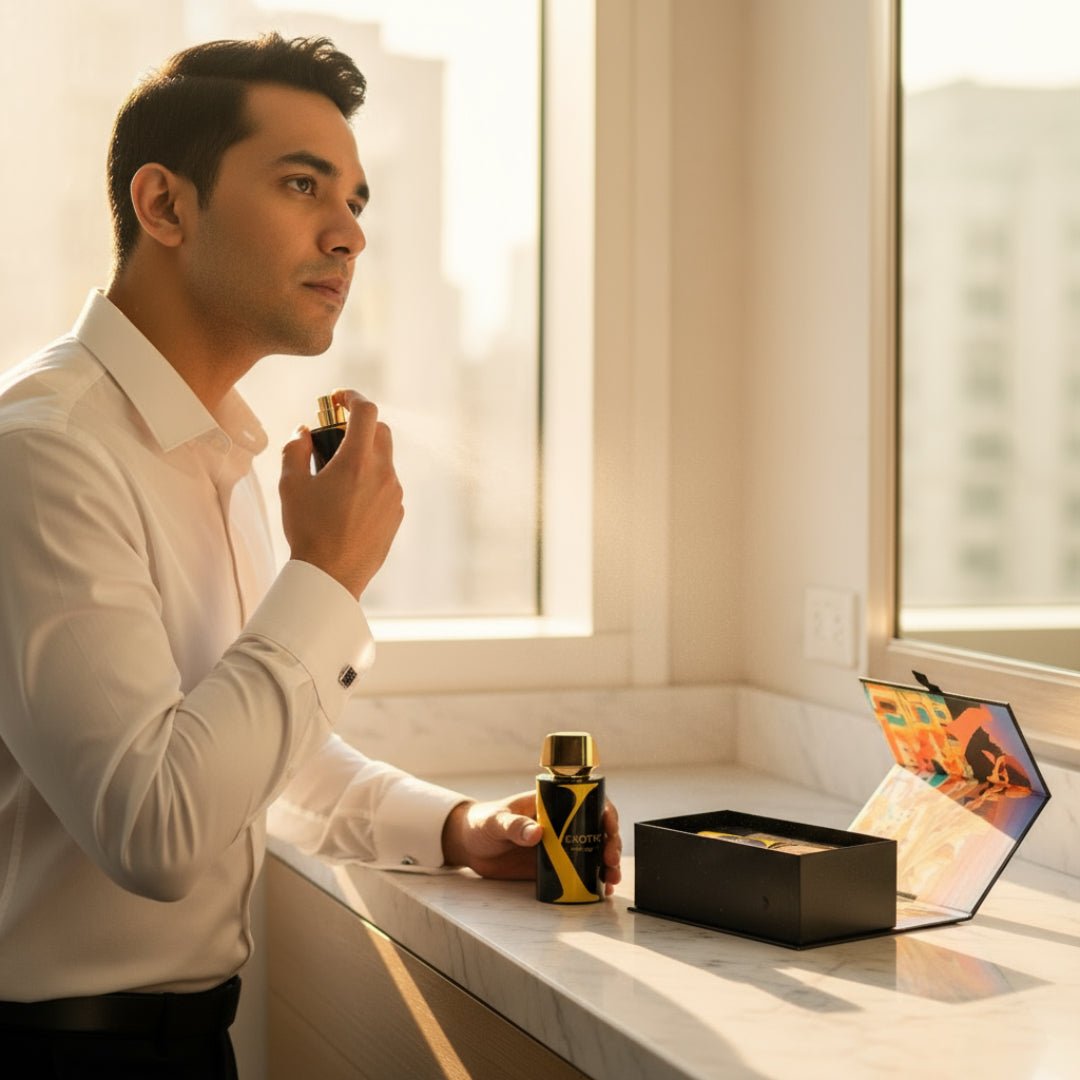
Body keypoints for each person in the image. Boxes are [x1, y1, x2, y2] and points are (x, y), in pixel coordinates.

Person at [0, 33, 621, 1078]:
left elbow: (246, 755)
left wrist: (459, 827)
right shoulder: (46, 456)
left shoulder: (222, 451)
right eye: (303, 185)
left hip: (189, 1041)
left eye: (359, 202)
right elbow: (156, 827)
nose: (348, 236)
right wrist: (326, 575)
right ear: (164, 206)